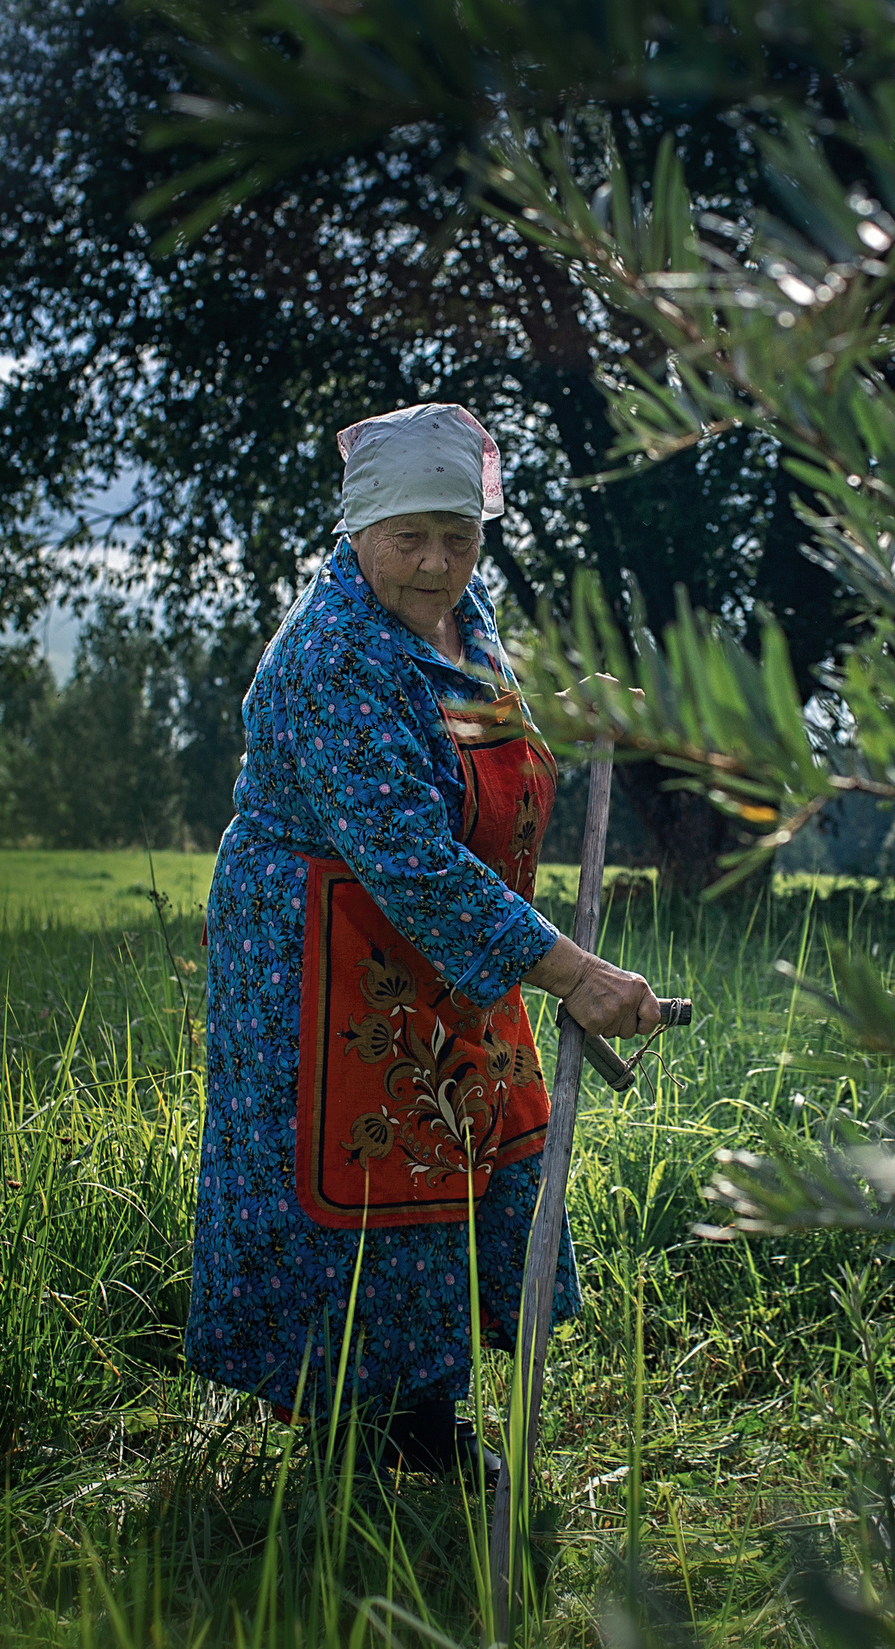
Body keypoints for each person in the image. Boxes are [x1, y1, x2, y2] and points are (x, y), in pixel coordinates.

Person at [188, 401, 664, 1474]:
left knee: (447, 1154)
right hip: (323, 947)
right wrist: (573, 975)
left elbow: (474, 743)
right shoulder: (332, 659)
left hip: (444, 944)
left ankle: (418, 1412)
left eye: (460, 536)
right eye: (411, 538)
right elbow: (410, 860)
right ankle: (353, 1429)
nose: (437, 562)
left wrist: (559, 720)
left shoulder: (457, 611)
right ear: (357, 528)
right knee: (353, 1169)